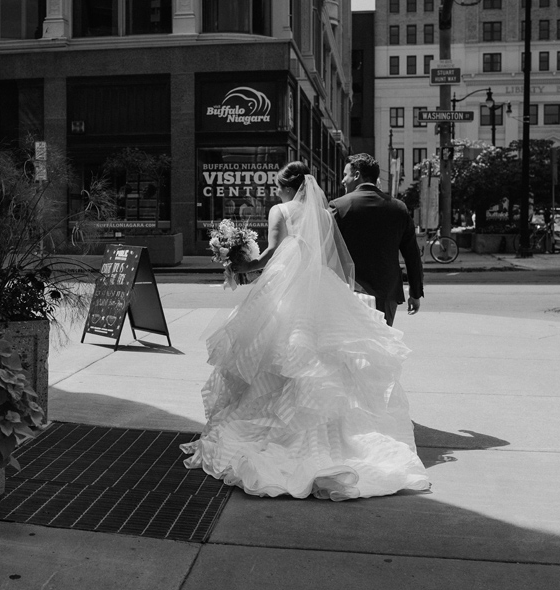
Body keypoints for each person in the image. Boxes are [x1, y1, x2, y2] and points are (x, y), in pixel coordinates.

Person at [181, 161, 430, 501]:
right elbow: (333, 259)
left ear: (284, 186)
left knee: (274, 356)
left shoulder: (281, 210)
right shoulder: (325, 214)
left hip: (285, 288)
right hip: (321, 288)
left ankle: (283, 434)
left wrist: (239, 264)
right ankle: (331, 433)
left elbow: (269, 254)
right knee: (321, 361)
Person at [330, 154, 423, 327]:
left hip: (349, 291)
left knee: (353, 346)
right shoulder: (398, 208)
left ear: (357, 175)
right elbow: (412, 255)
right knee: (381, 345)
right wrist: (415, 293)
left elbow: (326, 249)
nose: (343, 180)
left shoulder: (339, 207)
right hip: (386, 292)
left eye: (345, 174)